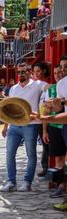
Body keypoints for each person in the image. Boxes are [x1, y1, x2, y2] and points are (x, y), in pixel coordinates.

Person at [0, 63, 47, 192]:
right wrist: (5, 127)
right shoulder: (13, 89)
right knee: (10, 153)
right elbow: (8, 108)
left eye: (23, 71)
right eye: (19, 72)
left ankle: (27, 182)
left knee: (31, 154)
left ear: (29, 72)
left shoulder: (37, 85)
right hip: (14, 125)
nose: (20, 74)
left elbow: (50, 87)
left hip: (31, 125)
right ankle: (11, 181)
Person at [42, 65, 66, 198]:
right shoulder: (51, 89)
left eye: (60, 72)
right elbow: (46, 110)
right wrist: (45, 131)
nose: (58, 74)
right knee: (58, 157)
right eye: (55, 72)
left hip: (64, 125)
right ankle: (59, 185)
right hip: (55, 127)